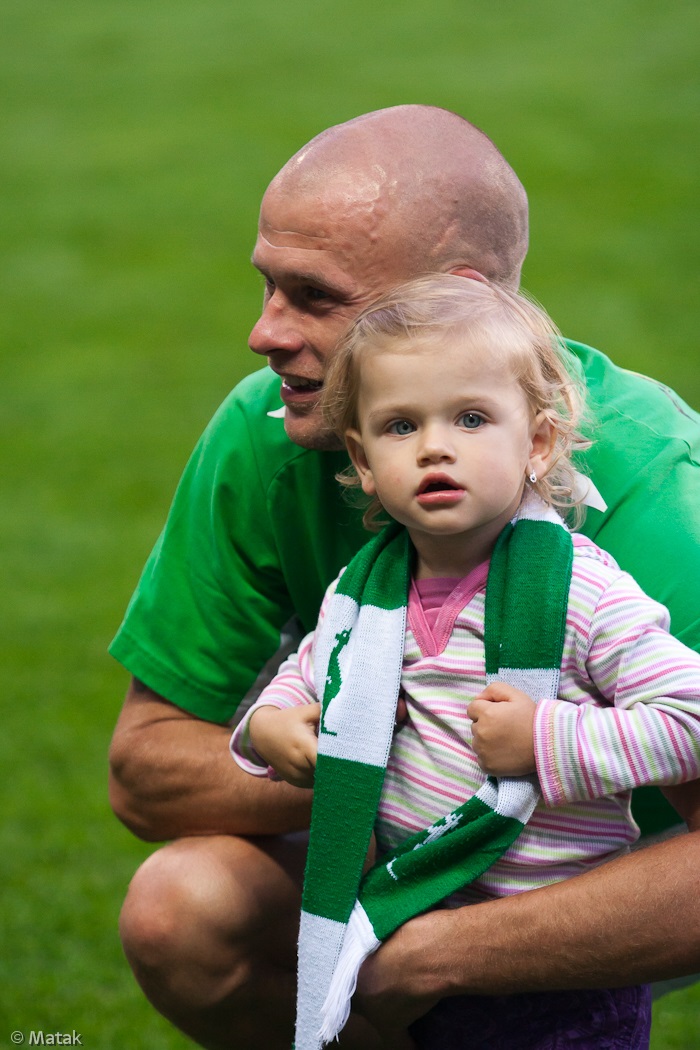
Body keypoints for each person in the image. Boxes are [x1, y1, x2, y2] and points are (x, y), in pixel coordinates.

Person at [108, 105, 700, 1050]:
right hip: (394, 847)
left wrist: (434, 953)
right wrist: (384, 752)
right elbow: (145, 773)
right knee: (182, 909)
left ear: (451, 296)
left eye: (314, 296)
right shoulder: (275, 430)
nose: (264, 334)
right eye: (267, 286)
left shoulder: (653, 494)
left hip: (608, 862)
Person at [230, 275, 700, 1049]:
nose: (436, 445)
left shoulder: (582, 590)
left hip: (560, 973)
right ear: (365, 458)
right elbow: (308, 671)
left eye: (473, 418)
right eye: (401, 426)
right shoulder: (368, 591)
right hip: (415, 918)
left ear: (538, 442)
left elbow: (686, 722)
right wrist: (271, 729)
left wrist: (545, 742)